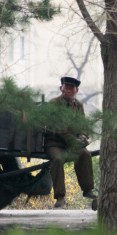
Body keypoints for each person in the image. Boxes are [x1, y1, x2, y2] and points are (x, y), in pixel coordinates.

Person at [44, 76, 97, 208]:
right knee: (57, 160)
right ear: (61, 88)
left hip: (72, 144)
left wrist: (84, 136)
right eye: (65, 87)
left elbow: (83, 124)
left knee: (85, 154)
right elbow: (57, 128)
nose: (67, 90)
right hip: (54, 143)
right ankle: (60, 197)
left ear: (76, 90)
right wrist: (75, 140)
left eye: (71, 88)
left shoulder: (78, 105)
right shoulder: (53, 104)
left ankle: (87, 189)